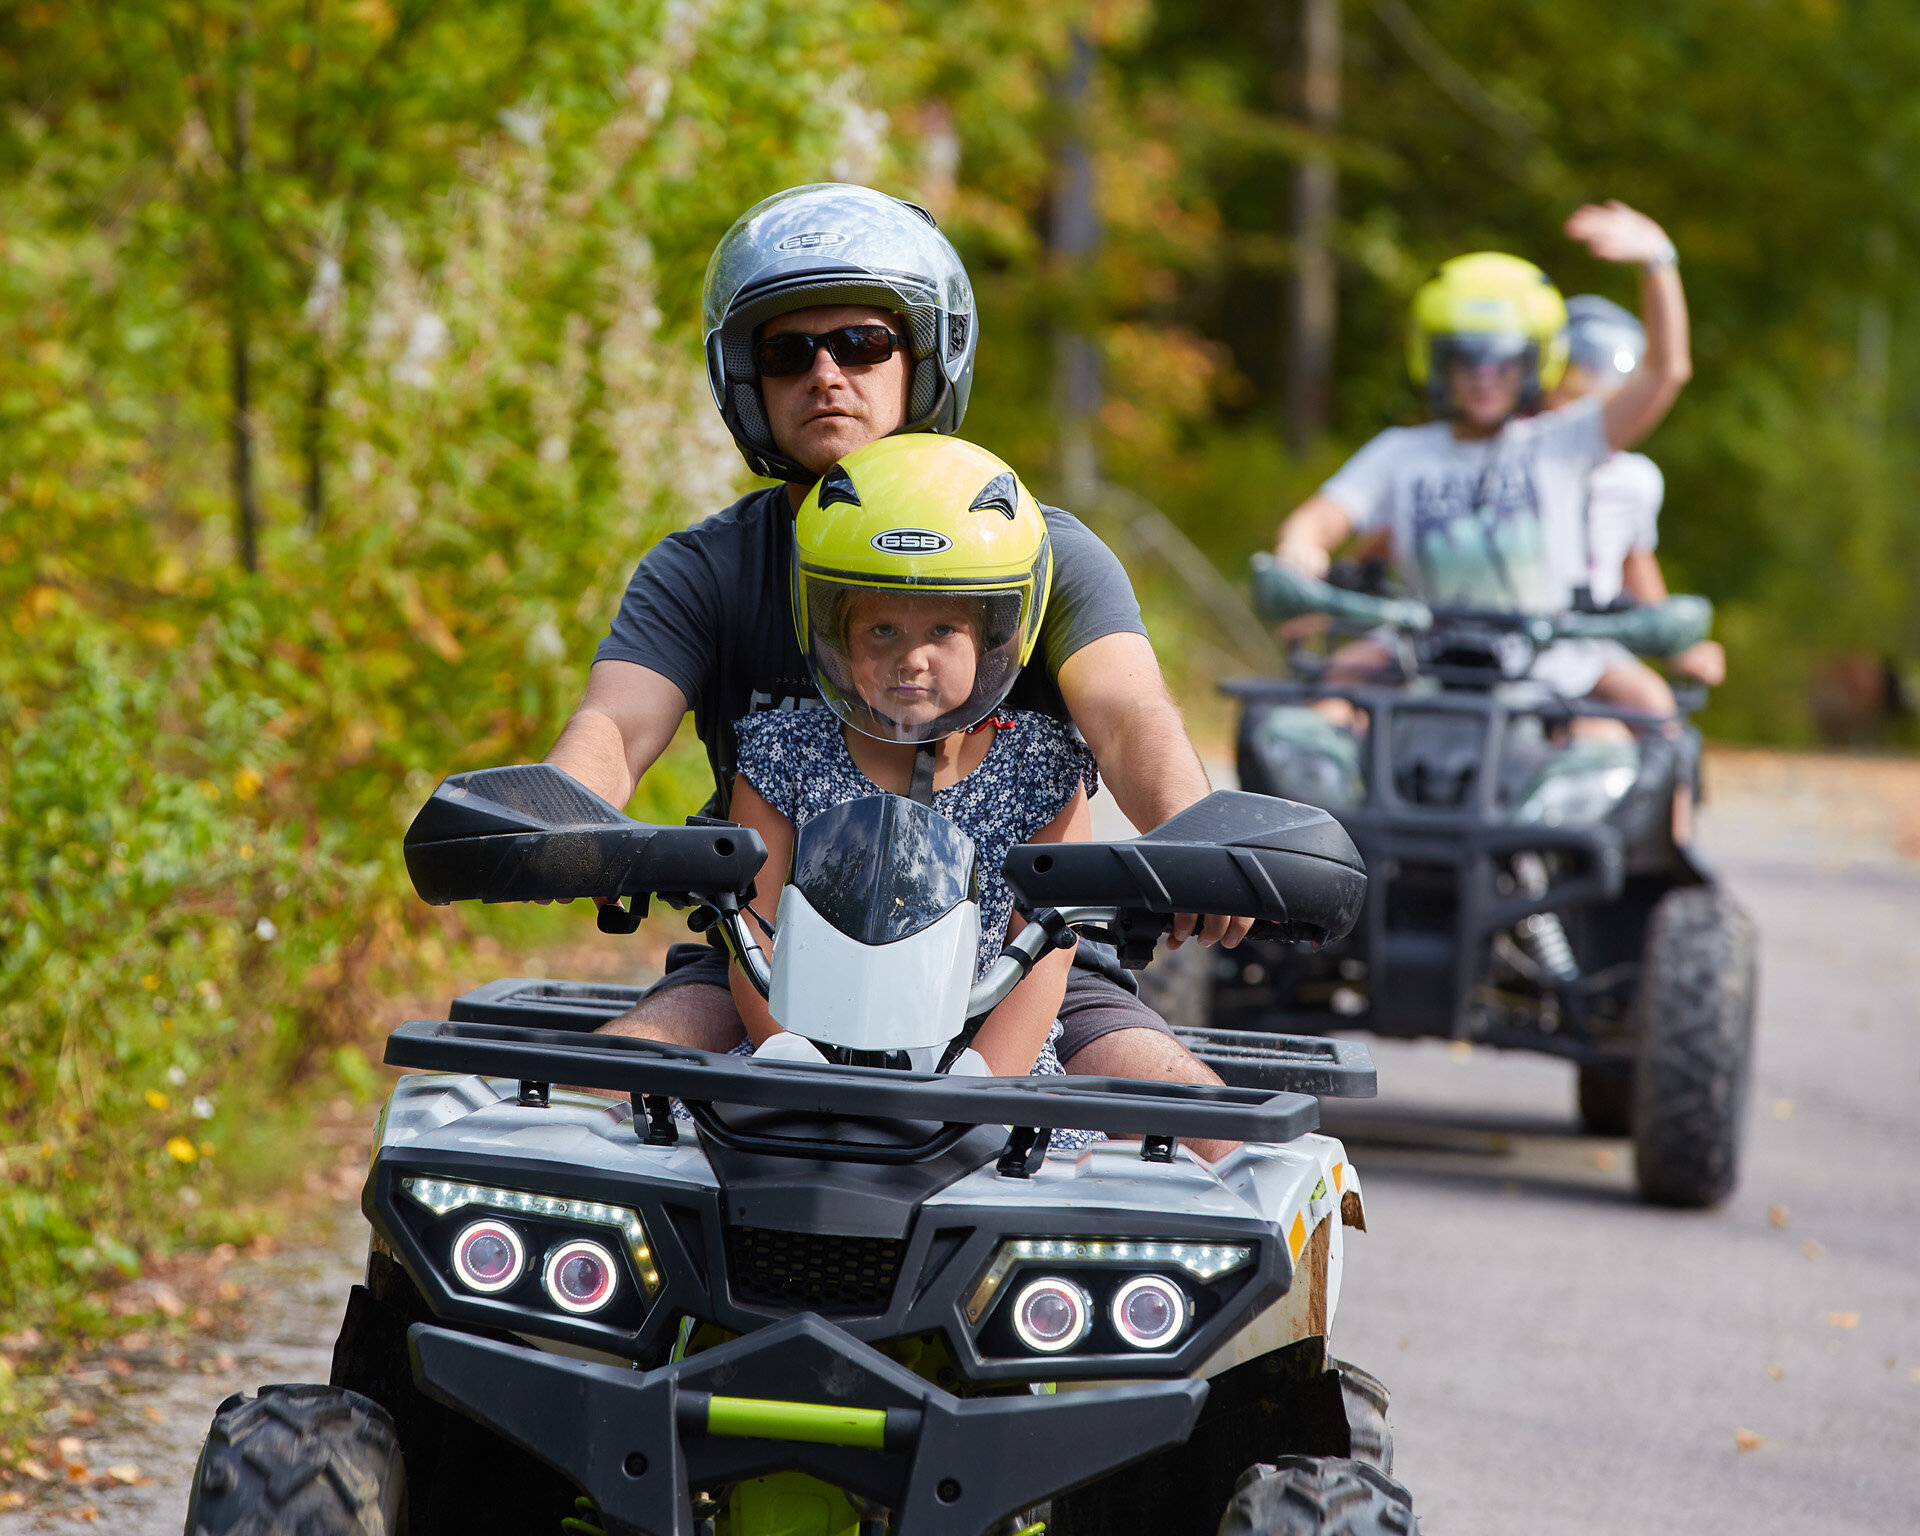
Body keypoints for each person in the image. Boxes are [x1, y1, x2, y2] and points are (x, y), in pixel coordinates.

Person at [543, 182, 1234, 1093]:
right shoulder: (705, 567)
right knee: (580, 1112)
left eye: (862, 344)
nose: (825, 374)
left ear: (929, 357)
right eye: (788, 352)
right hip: (768, 966)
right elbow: (617, 724)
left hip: (1029, 971)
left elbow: (1128, 713)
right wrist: (564, 823)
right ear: (747, 383)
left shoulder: (1036, 549)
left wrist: (1193, 841)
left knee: (1210, 1137)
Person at [726, 434, 1123, 1148]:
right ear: (838, 638)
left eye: (942, 629)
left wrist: (981, 1079)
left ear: (996, 636)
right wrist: (784, 1053)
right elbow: (749, 928)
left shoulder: (1041, 765)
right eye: (881, 629)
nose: (911, 659)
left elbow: (1048, 947)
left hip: (988, 1067)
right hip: (798, 1057)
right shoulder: (782, 752)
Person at [1271, 200, 1694, 723]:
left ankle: (1673, 806)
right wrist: (1299, 552)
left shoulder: (1564, 442)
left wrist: (1657, 262)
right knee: (1321, 708)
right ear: (1436, 360)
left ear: (1534, 361)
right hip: (1421, 652)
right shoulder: (1402, 453)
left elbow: (1665, 373)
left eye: (1503, 360)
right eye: (1465, 358)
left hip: (1553, 658)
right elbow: (1315, 522)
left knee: (1650, 715)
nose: (1483, 376)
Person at [1543, 293, 1726, 713]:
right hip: (1521, 630)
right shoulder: (1522, 454)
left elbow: (1634, 561)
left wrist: (1676, 645)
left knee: (1655, 707)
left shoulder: (1634, 480)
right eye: (1575, 386)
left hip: (1591, 643)